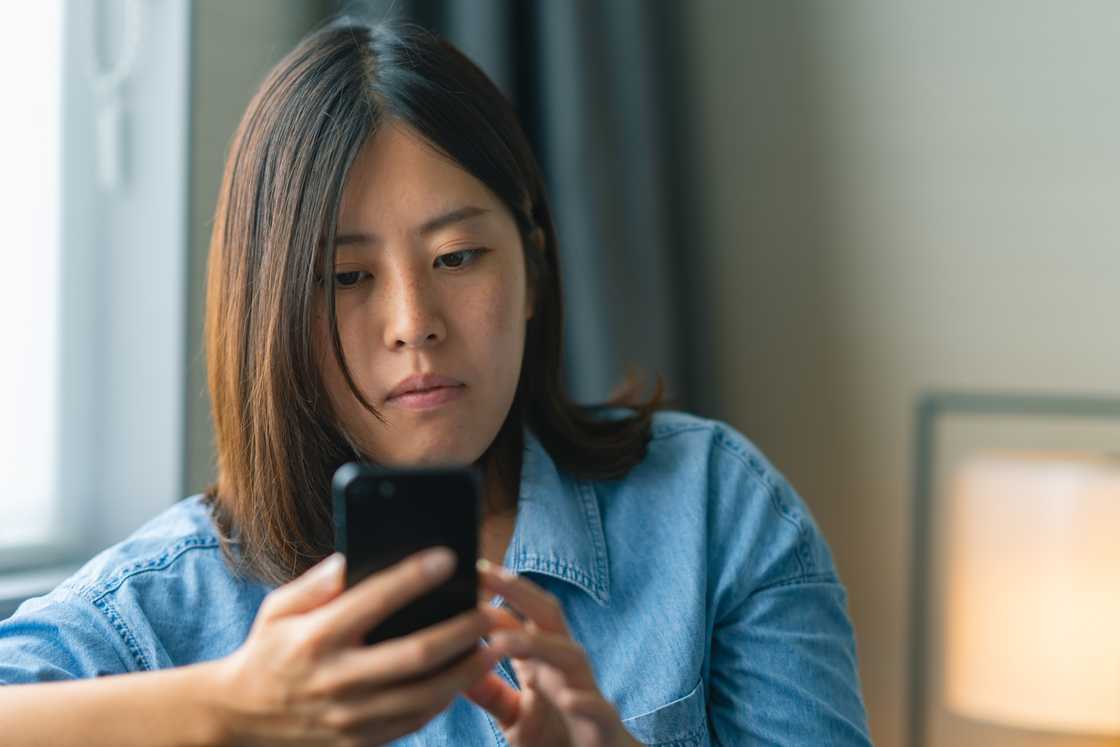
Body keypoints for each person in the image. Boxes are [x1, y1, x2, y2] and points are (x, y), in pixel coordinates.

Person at [0, 17, 872, 747]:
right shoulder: (163, 606)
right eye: (346, 277)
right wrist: (233, 703)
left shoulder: (713, 508)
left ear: (532, 264)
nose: (413, 320)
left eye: (457, 257)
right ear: (268, 311)